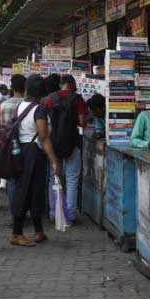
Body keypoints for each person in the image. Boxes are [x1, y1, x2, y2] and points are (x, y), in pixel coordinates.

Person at [11, 74, 61, 247]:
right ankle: (17, 234)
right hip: (33, 153)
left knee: (33, 191)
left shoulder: (21, 105)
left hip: (22, 151)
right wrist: (54, 160)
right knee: (27, 192)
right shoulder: (38, 109)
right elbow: (43, 136)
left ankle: (39, 231)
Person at [44, 74, 87, 224]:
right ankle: (69, 215)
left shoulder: (49, 99)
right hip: (72, 143)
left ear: (60, 85)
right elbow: (82, 123)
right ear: (72, 84)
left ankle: (53, 213)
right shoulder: (78, 99)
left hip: (53, 143)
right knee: (72, 178)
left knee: (54, 178)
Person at [0, 74, 26, 208]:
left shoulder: (4, 105)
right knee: (23, 178)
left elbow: (2, 126)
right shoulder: (28, 104)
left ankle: (13, 211)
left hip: (9, 146)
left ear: (11, 87)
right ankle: (23, 209)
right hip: (25, 144)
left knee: (11, 178)